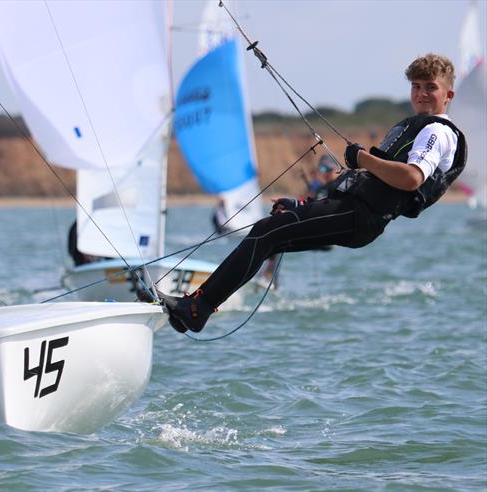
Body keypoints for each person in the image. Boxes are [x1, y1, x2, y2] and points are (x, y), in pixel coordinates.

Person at [149, 54, 467, 333]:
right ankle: (197, 308)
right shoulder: (414, 126)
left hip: (361, 217)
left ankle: (198, 308)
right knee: (269, 234)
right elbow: (367, 184)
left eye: (431, 87)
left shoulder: (436, 132)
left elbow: (412, 178)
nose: (422, 94)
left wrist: (363, 159)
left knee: (264, 233)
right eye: (416, 86)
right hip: (352, 212)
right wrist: (301, 204)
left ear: (448, 94)